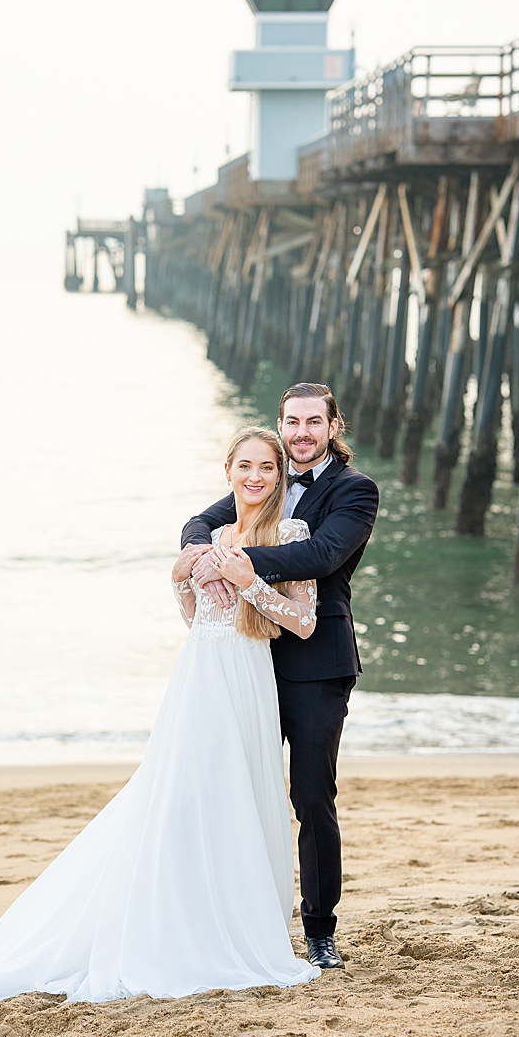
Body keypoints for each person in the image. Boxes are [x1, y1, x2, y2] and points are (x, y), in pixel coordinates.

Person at [0, 427, 320, 1011]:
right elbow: (199, 620)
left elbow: (302, 622)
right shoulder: (213, 535)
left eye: (266, 468)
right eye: (245, 466)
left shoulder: (292, 534)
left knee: (239, 797)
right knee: (179, 797)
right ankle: (177, 916)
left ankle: (239, 924)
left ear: (278, 474)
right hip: (199, 677)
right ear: (227, 471)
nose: (256, 477)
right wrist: (178, 582)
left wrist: (251, 582)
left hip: (248, 675)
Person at [181, 382, 380, 971]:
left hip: (316, 665)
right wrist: (200, 554)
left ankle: (319, 928)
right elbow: (201, 524)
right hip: (249, 663)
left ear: (332, 427)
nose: (300, 433)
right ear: (280, 424)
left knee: (311, 796)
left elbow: (322, 555)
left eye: (312, 423)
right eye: (291, 422)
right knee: (236, 790)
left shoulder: (354, 491)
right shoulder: (266, 481)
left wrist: (240, 564)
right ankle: (232, 916)